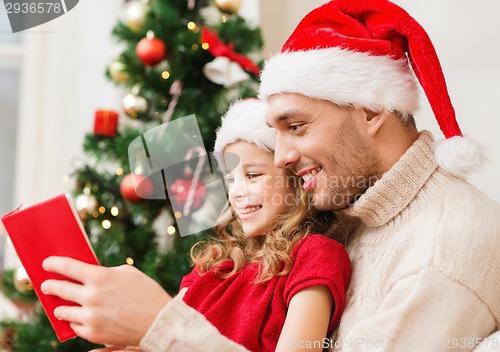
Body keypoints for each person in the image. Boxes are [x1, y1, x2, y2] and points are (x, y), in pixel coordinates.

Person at [42, 0, 500, 351]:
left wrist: (163, 328)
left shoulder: (442, 251)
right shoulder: (350, 210)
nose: (279, 157)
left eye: (296, 126)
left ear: (373, 109)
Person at [41, 99, 352, 351]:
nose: (237, 192)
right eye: (230, 179)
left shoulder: (316, 255)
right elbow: (162, 337)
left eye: (253, 175)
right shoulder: (215, 267)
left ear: (294, 180)